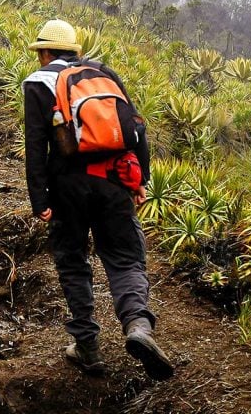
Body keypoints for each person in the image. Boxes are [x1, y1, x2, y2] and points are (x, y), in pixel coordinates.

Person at [22, 19, 174, 381]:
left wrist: (38, 199)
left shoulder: (38, 83)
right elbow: (137, 130)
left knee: (73, 261)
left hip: (67, 188)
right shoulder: (103, 73)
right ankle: (138, 326)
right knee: (124, 259)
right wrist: (141, 181)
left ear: (44, 51)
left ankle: (88, 348)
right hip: (112, 182)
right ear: (74, 49)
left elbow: (35, 146)